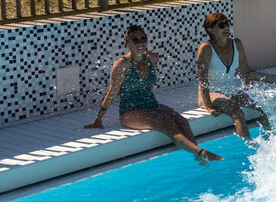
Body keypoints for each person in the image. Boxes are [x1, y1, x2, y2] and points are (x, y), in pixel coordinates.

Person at [84, 25, 223, 165]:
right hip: (130, 111)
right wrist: (99, 118)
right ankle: (202, 153)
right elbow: (112, 91)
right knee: (167, 124)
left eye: (143, 39)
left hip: (151, 104)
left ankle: (198, 159)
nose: (141, 43)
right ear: (126, 43)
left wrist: (154, 107)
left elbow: (149, 85)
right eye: (135, 40)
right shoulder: (122, 64)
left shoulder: (152, 57)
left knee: (182, 121)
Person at [196, 12, 271, 139]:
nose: (226, 28)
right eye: (221, 25)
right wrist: (208, 105)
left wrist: (248, 88)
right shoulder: (206, 48)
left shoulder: (236, 43)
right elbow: (202, 80)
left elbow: (244, 69)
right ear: (210, 30)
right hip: (212, 93)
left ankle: (269, 141)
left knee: (260, 108)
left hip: (230, 89)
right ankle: (248, 146)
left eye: (228, 24)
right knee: (238, 113)